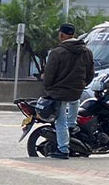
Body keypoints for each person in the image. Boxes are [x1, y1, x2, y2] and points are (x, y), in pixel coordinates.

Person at [40, 23, 94, 159]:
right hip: (76, 90)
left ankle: (63, 149)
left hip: (59, 91)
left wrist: (48, 86)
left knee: (60, 120)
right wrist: (82, 84)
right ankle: (72, 125)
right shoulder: (86, 51)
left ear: (62, 34)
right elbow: (90, 73)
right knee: (74, 102)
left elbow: (49, 74)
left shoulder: (57, 52)